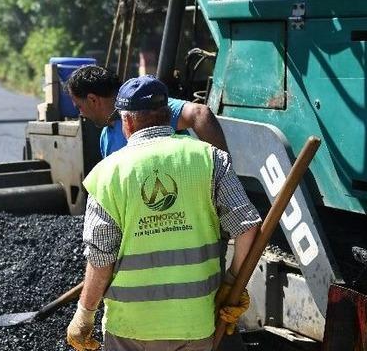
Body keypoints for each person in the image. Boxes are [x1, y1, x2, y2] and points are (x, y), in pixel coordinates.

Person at [66, 75, 261, 351]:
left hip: (130, 328)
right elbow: (248, 227)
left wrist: (84, 315)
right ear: (168, 114)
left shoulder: (107, 174)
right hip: (195, 322)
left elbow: (101, 258)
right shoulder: (210, 159)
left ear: (127, 121)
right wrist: (232, 282)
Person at [65, 65, 227, 155]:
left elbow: (200, 113)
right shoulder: (106, 138)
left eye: (79, 106)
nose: (81, 113)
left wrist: (221, 176)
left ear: (93, 99)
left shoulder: (149, 109)